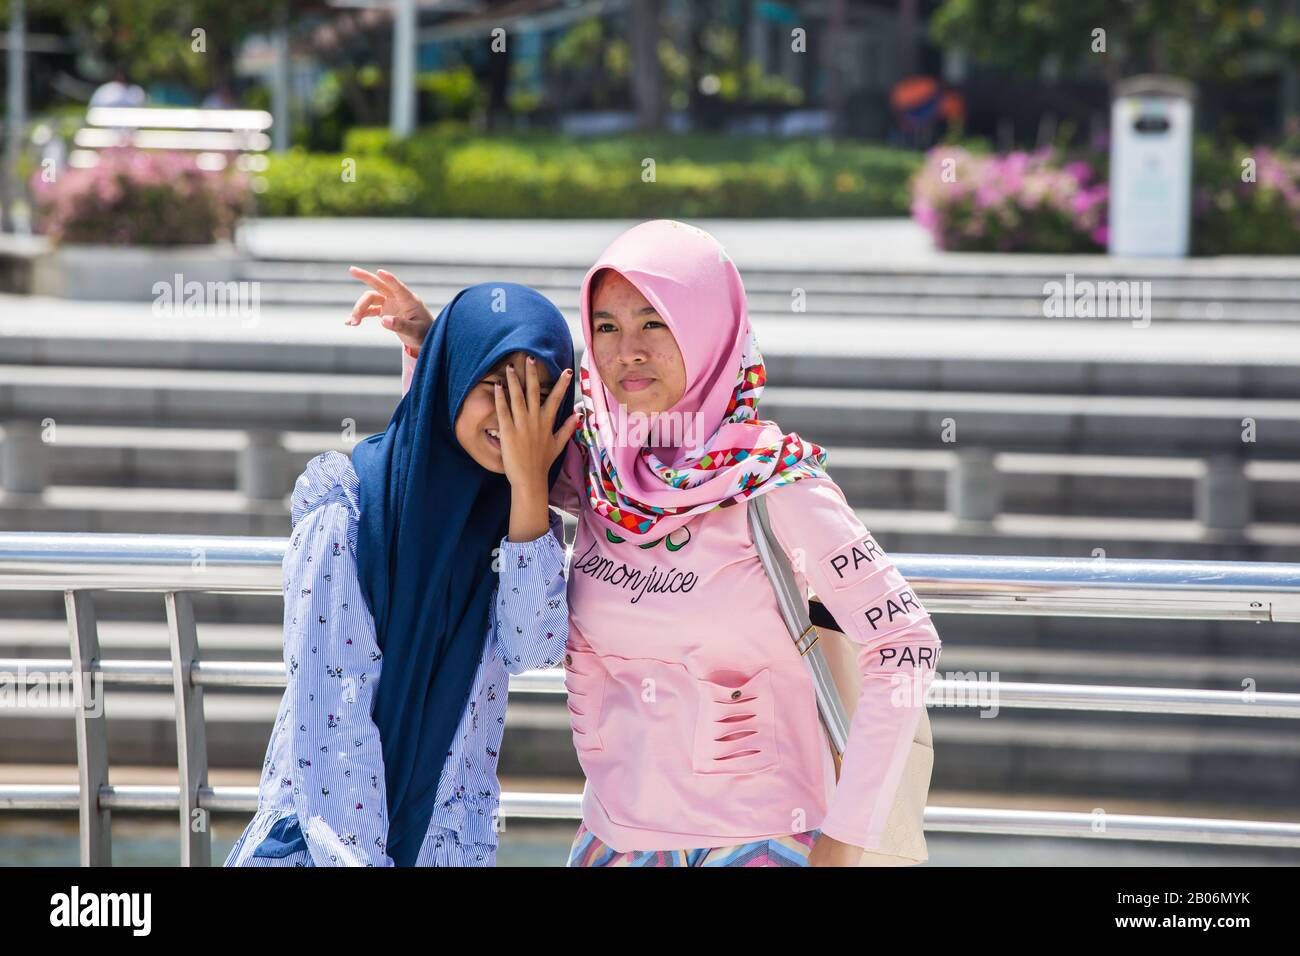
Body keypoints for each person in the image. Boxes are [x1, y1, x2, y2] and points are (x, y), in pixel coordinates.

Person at [361, 220, 942, 868]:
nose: (627, 351)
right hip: (615, 842)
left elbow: (905, 642)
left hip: (762, 841)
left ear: (707, 329)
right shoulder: (594, 473)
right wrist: (433, 346)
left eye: (654, 323)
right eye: (605, 327)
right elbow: (480, 443)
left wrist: (849, 834)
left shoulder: (776, 484)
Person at [224, 275, 577, 866]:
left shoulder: (511, 520)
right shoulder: (348, 502)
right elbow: (333, 720)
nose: (516, 418)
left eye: (539, 396)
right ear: (454, 378)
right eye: (495, 386)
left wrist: (528, 488)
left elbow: (535, 646)